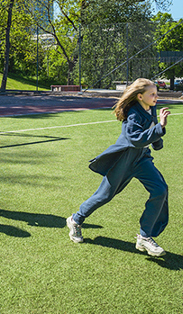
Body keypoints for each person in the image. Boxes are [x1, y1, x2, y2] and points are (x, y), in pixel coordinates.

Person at [66, 78, 170, 257]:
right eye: (152, 94)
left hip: (142, 158)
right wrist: (160, 128)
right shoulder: (133, 115)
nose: (156, 97)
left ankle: (144, 236)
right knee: (104, 196)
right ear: (139, 96)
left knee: (161, 190)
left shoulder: (150, 107)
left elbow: (150, 126)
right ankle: (76, 220)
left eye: (156, 93)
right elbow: (136, 139)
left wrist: (157, 140)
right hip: (124, 159)